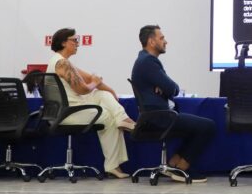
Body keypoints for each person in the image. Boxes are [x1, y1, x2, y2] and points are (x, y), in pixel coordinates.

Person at [47, 28, 135, 179]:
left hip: (72, 108)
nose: (77, 44)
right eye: (74, 40)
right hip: (68, 113)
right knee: (108, 116)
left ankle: (123, 119)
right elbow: (82, 89)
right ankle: (112, 166)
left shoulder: (62, 61)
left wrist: (110, 91)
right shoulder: (62, 64)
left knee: (102, 95)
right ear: (63, 43)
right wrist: (95, 83)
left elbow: (89, 79)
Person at [132, 25, 214, 183]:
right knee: (208, 126)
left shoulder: (144, 60)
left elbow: (168, 88)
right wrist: (166, 88)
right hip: (160, 117)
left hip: (155, 116)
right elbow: (173, 88)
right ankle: (182, 169)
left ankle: (174, 164)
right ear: (151, 41)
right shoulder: (148, 62)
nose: (166, 41)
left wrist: (164, 88)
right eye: (161, 38)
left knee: (195, 128)